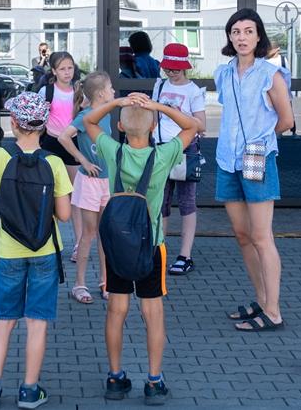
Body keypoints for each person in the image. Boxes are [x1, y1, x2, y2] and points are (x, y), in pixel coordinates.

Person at [82, 92, 199, 405]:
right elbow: (193, 127)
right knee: (153, 312)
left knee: (116, 311)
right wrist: (158, 107)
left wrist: (117, 103)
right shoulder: (163, 155)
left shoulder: (111, 150)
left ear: (119, 126)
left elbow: (89, 120)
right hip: (152, 246)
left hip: (117, 246)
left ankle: (115, 377)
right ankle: (154, 380)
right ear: (154, 127)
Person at [0, 92, 72, 410]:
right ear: (44, 126)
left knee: (4, 320)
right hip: (45, 249)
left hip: (9, 250)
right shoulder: (54, 163)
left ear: (14, 123)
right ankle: (29, 391)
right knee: (37, 322)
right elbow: (65, 214)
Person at [214, 8, 294, 331]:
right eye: (236, 31)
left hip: (257, 159)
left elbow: (286, 120)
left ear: (258, 36)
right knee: (243, 235)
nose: (242, 37)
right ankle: (261, 300)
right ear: (229, 37)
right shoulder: (223, 73)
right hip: (226, 160)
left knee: (262, 237)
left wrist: (259, 144)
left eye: (248, 31)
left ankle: (273, 312)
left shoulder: (269, 74)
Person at [57, 71, 115, 304]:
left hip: (106, 181)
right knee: (88, 233)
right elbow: (63, 137)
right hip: (90, 181)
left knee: (105, 233)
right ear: (101, 93)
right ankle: (79, 284)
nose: (113, 92)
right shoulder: (85, 116)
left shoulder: (107, 114)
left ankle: (104, 281)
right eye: (110, 88)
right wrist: (83, 160)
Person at [151, 43, 207, 276]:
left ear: (184, 68)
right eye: (168, 68)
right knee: (160, 202)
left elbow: (202, 125)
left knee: (186, 202)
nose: (171, 72)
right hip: (161, 148)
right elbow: (152, 114)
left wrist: (176, 112)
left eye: (176, 69)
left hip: (185, 148)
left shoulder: (194, 91)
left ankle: (185, 255)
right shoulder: (159, 84)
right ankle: (158, 251)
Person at [37, 51, 83, 261]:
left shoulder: (79, 91)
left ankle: (79, 244)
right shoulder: (46, 91)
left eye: (70, 68)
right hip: (51, 143)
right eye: (62, 69)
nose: (67, 72)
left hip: (72, 143)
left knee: (75, 196)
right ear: (54, 71)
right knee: (49, 193)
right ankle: (46, 241)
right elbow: (36, 121)